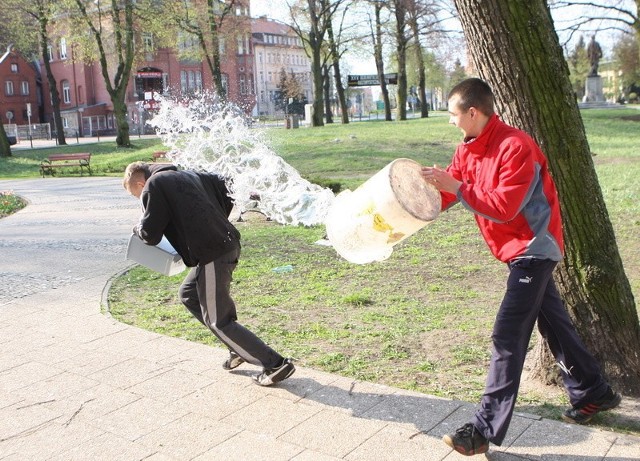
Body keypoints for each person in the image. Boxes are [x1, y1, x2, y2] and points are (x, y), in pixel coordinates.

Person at [421, 78, 620, 456]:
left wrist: (458, 188)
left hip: (535, 249)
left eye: (453, 114)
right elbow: (452, 192)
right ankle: (594, 391)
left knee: (507, 335)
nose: (450, 122)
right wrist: (417, 198)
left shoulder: (516, 147)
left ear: (473, 112)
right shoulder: (468, 149)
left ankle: (481, 430)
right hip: (514, 252)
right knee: (554, 323)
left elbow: (503, 207)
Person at [123, 161, 295, 386]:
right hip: (221, 246)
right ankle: (237, 348)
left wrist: (138, 227)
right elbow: (227, 193)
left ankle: (275, 364)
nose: (141, 198)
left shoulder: (154, 184)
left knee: (218, 321)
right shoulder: (189, 174)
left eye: (137, 195)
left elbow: (150, 234)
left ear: (140, 182)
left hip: (213, 253)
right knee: (188, 294)